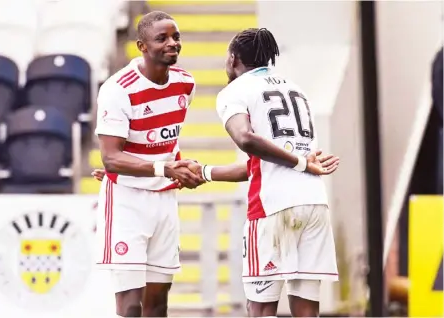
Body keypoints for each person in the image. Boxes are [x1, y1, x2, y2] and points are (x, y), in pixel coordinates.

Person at [93, 27, 340, 317]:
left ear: (233, 59)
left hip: (271, 207)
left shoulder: (234, 90)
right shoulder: (295, 89)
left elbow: (246, 139)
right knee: (307, 305)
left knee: (261, 307)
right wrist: (200, 171)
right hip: (314, 202)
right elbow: (265, 163)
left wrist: (298, 162)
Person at [93, 11, 205, 317]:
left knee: (158, 304)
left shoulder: (185, 83)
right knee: (131, 305)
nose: (172, 44)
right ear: (142, 46)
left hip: (164, 201)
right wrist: (162, 168)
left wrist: (177, 164)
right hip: (127, 202)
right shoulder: (118, 89)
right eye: (162, 38)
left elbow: (168, 138)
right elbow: (111, 157)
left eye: (176, 37)